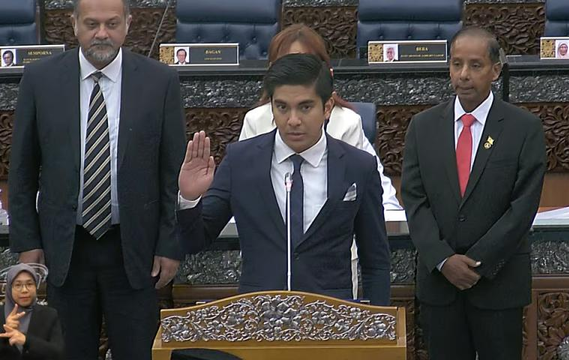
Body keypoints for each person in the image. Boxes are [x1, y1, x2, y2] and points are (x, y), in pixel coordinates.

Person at [8, 0, 186, 358]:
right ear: (73, 25)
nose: (101, 33)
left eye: (111, 23)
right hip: (66, 249)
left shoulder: (160, 80)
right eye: (91, 23)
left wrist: (169, 243)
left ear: (128, 24)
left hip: (134, 248)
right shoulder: (40, 79)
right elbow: (23, 170)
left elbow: (172, 173)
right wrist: (27, 241)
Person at [178, 53, 391, 306]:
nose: (293, 120)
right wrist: (189, 199)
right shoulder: (241, 161)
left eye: (305, 107)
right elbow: (195, 240)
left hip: (332, 321)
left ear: (327, 108)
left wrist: (378, 329)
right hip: (258, 316)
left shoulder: (359, 166)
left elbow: (375, 260)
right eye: (282, 107)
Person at [401, 27, 546, 360]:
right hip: (440, 285)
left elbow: (522, 207)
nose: (463, 75)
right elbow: (414, 200)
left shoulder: (524, 128)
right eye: (456, 64)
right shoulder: (422, 127)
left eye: (475, 65)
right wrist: (444, 260)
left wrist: (477, 264)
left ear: (495, 70)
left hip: (498, 284)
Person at [239, 24, 401, 299]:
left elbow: (379, 196)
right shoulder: (256, 122)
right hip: (267, 270)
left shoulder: (347, 123)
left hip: (331, 272)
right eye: (288, 64)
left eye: (306, 63)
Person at [0, 264, 65, 360]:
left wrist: (26, 340)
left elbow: (58, 354)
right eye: (18, 285)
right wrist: (4, 331)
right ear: (10, 288)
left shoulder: (49, 315)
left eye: (29, 284)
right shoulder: (1, 314)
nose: (24, 290)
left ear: (36, 287)